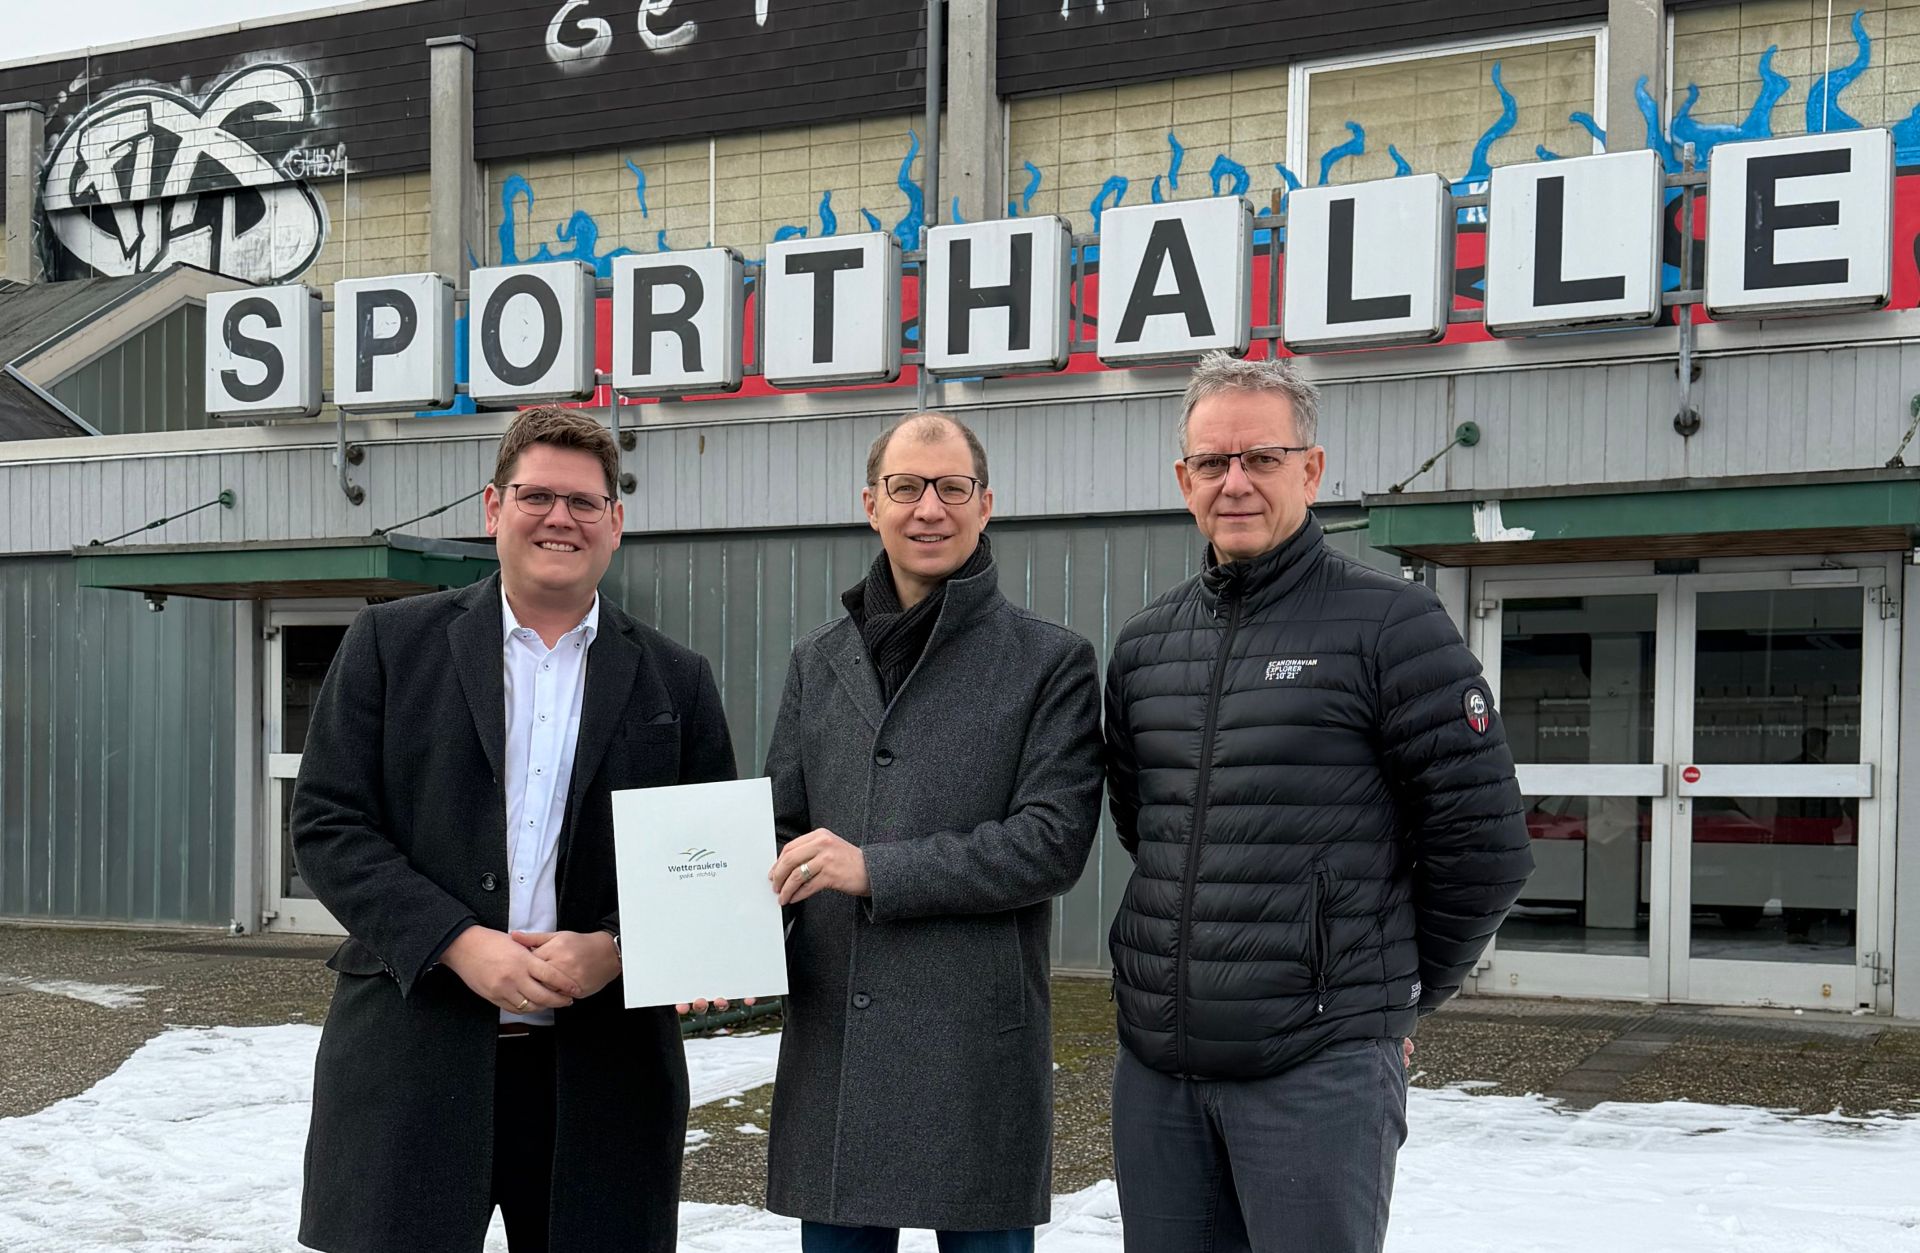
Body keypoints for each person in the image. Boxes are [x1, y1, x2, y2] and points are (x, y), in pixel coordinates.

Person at [1102, 353, 1534, 1253]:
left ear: (1312, 468)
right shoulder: (1145, 647)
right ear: (1184, 480)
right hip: (1162, 1070)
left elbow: (1484, 845)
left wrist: (1390, 1000)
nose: (1236, 483)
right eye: (1213, 463)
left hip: (1317, 1069)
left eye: (1261, 458)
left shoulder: (1391, 627)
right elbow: (1150, 827)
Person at [291, 406, 738, 1253]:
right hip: (414, 1056)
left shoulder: (677, 680)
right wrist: (459, 941)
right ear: (494, 508)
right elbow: (327, 825)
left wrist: (614, 948)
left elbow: (705, 865)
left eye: (584, 502)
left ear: (616, 523)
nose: (560, 518)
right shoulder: (391, 644)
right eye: (538, 496)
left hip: (604, 1078)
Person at [762, 411, 1104, 1252]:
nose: (929, 508)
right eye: (907, 487)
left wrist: (874, 869)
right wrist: (722, 936)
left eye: (952, 488)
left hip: (970, 1047)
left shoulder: (1049, 660)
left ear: (986, 505)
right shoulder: (818, 658)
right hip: (838, 1033)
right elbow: (781, 827)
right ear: (869, 503)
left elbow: (1049, 843)